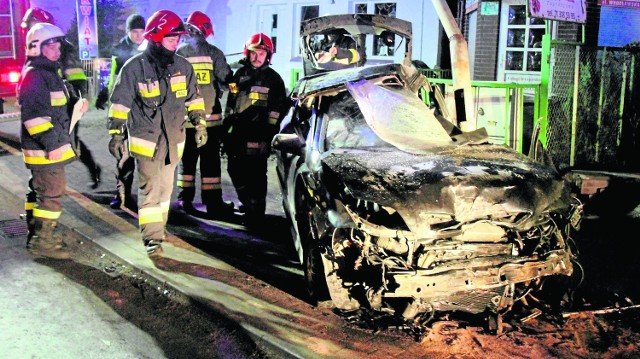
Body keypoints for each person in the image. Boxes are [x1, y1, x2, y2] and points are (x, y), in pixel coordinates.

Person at [107, 10, 207, 255]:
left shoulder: (183, 66)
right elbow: (120, 104)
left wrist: (200, 123)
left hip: (174, 141)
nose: (177, 43)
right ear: (156, 36)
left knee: (165, 190)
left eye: (178, 39)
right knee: (151, 191)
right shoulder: (134, 68)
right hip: (147, 142)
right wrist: (116, 134)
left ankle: (159, 229)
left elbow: (194, 98)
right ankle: (152, 238)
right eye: (172, 38)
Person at [18, 23, 89, 259]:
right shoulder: (36, 76)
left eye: (58, 43)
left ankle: (37, 233)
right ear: (37, 48)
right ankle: (43, 241)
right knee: (52, 193)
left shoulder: (47, 73)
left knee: (42, 192)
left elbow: (54, 109)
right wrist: (54, 145)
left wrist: (76, 107)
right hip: (45, 151)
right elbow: (35, 119)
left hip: (46, 149)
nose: (57, 48)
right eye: (51, 44)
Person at [21, 7, 101, 190]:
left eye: (33, 25)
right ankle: (38, 190)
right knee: (44, 149)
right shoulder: (35, 45)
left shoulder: (62, 47)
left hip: (64, 106)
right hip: (44, 105)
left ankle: (92, 170)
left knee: (69, 141)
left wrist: (78, 100)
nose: (30, 30)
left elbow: (77, 77)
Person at [223, 33, 287, 227]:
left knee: (256, 174)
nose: (257, 57)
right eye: (253, 53)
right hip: (238, 133)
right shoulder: (239, 75)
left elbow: (276, 111)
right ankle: (248, 204)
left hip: (259, 135)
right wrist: (227, 128)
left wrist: (268, 136)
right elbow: (232, 100)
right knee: (234, 169)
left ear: (268, 55)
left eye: (261, 53)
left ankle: (256, 214)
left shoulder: (274, 80)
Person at [176, 11, 234, 218]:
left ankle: (184, 200)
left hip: (186, 120)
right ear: (205, 31)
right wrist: (233, 81)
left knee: (187, 161)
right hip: (210, 120)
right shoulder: (214, 54)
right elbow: (228, 81)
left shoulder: (178, 54)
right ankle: (213, 204)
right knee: (210, 162)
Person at [96, 13, 146, 210]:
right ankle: (122, 194)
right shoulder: (120, 51)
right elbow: (113, 78)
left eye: (142, 32)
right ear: (128, 31)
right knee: (124, 156)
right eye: (135, 32)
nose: (139, 35)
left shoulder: (150, 49)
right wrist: (105, 94)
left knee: (144, 155)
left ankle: (145, 195)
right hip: (126, 108)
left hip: (144, 110)